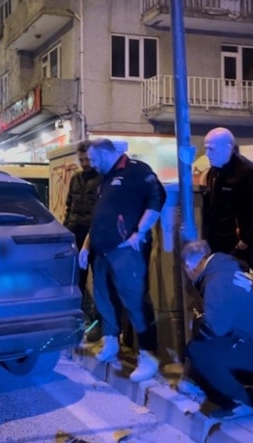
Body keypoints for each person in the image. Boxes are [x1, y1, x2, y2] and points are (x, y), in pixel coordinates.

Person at [78, 138, 165, 382]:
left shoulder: (137, 170)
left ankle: (148, 354)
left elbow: (157, 198)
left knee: (134, 300)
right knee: (104, 297)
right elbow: (100, 215)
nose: (91, 164)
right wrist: (86, 245)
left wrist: (140, 231)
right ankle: (111, 342)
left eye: (93, 159)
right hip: (102, 251)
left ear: (105, 153)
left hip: (126, 250)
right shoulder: (104, 178)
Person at [178, 240, 253, 419]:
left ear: (189, 266)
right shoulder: (232, 269)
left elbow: (211, 330)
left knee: (200, 351)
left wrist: (196, 328)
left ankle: (239, 402)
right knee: (230, 343)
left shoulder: (216, 282)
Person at [202, 128, 253, 269]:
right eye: (206, 149)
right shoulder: (215, 172)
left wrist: (246, 241)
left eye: (211, 149)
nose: (207, 154)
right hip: (217, 247)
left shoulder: (247, 174)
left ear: (228, 148)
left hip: (237, 250)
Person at [64, 141, 104, 342]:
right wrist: (67, 230)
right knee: (76, 280)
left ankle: (99, 324)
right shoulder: (76, 179)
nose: (85, 163)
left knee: (99, 281)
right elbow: (69, 206)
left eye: (87, 159)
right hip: (76, 233)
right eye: (81, 160)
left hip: (95, 234)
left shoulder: (102, 178)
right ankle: (79, 322)